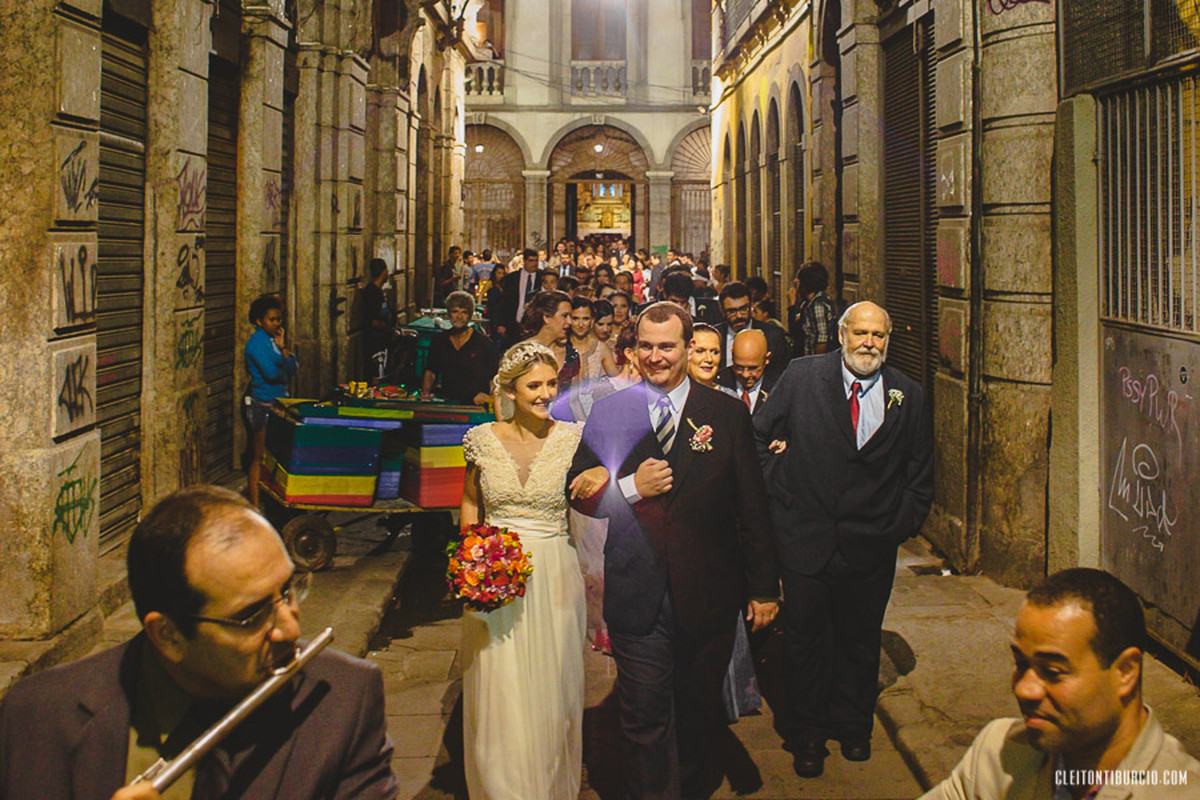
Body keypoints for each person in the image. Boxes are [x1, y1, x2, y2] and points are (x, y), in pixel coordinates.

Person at [0, 485, 397, 800]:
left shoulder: (343, 701)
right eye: (251, 617)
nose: (290, 630)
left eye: (289, 590)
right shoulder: (36, 716)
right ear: (168, 636)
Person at [568, 302, 780, 799]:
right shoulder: (610, 410)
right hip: (637, 597)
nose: (656, 357)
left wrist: (764, 588)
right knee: (643, 721)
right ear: (634, 348)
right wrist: (631, 488)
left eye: (667, 346)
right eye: (646, 346)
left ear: (689, 348)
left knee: (696, 717)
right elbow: (576, 492)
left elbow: (752, 509)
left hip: (707, 597)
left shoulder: (725, 414)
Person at [753, 300, 933, 778]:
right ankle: (807, 735)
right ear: (842, 335)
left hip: (871, 546)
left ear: (887, 341)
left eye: (878, 335)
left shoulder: (907, 395)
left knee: (859, 641)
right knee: (805, 643)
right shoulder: (801, 376)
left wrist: (900, 523)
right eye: (861, 334)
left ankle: (854, 728)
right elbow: (757, 438)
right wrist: (780, 486)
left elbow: (920, 473)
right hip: (805, 540)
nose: (868, 343)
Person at [458, 342, 609, 800]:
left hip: (553, 575)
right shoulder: (481, 440)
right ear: (509, 390)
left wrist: (602, 473)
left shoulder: (573, 438)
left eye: (550, 384)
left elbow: (610, 472)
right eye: (534, 386)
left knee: (552, 687)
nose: (545, 394)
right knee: (498, 685)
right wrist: (471, 556)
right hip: (495, 576)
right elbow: (470, 501)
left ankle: (545, 784)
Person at [921, 568, 1200, 800]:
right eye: (1021, 664)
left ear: (1125, 672)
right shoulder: (998, 753)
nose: (1023, 689)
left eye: (1053, 672)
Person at [243, 294, 298, 506]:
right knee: (259, 455)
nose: (277, 323)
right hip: (262, 404)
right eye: (272, 320)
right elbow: (272, 374)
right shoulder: (256, 344)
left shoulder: (273, 342)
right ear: (259, 321)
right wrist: (284, 364)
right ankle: (255, 506)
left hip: (278, 402)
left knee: (274, 455)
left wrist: (283, 350)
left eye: (278, 319)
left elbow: (294, 367)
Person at [421, 291, 498, 406]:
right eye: (455, 311)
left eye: (464, 312)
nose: (459, 316)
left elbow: (494, 379)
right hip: (447, 403)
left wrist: (491, 398)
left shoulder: (484, 344)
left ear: (470, 315)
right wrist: (425, 395)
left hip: (475, 404)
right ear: (448, 314)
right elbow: (431, 371)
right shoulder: (440, 340)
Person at [715, 281, 790, 385]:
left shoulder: (773, 336)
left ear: (751, 306)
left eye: (743, 309)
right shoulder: (715, 337)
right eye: (732, 311)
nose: (739, 316)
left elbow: (783, 375)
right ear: (722, 311)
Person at [520, 289, 579, 418]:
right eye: (564, 316)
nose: (570, 322)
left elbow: (575, 399)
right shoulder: (522, 354)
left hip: (562, 429)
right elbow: (502, 397)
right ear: (546, 317)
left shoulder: (572, 355)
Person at [495, 248, 543, 345]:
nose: (534, 264)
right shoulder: (512, 278)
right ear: (524, 261)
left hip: (535, 324)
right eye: (531, 261)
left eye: (536, 261)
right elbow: (504, 301)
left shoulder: (541, 277)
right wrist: (501, 323)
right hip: (514, 324)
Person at [719, 328, 773, 414]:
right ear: (732, 356)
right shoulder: (717, 384)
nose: (745, 375)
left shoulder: (779, 387)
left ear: (767, 359)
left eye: (752, 368)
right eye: (739, 367)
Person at [360, 258, 397, 381]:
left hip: (380, 340)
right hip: (375, 342)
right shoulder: (372, 293)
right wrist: (389, 330)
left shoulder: (377, 291)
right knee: (377, 373)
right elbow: (373, 321)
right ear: (384, 271)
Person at [791, 262, 837, 356]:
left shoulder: (818, 305)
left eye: (798, 279)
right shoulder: (807, 304)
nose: (795, 281)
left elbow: (822, 339)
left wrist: (816, 364)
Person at [688, 322, 723, 389]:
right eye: (700, 351)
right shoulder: (668, 396)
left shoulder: (729, 397)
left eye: (715, 352)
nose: (709, 359)